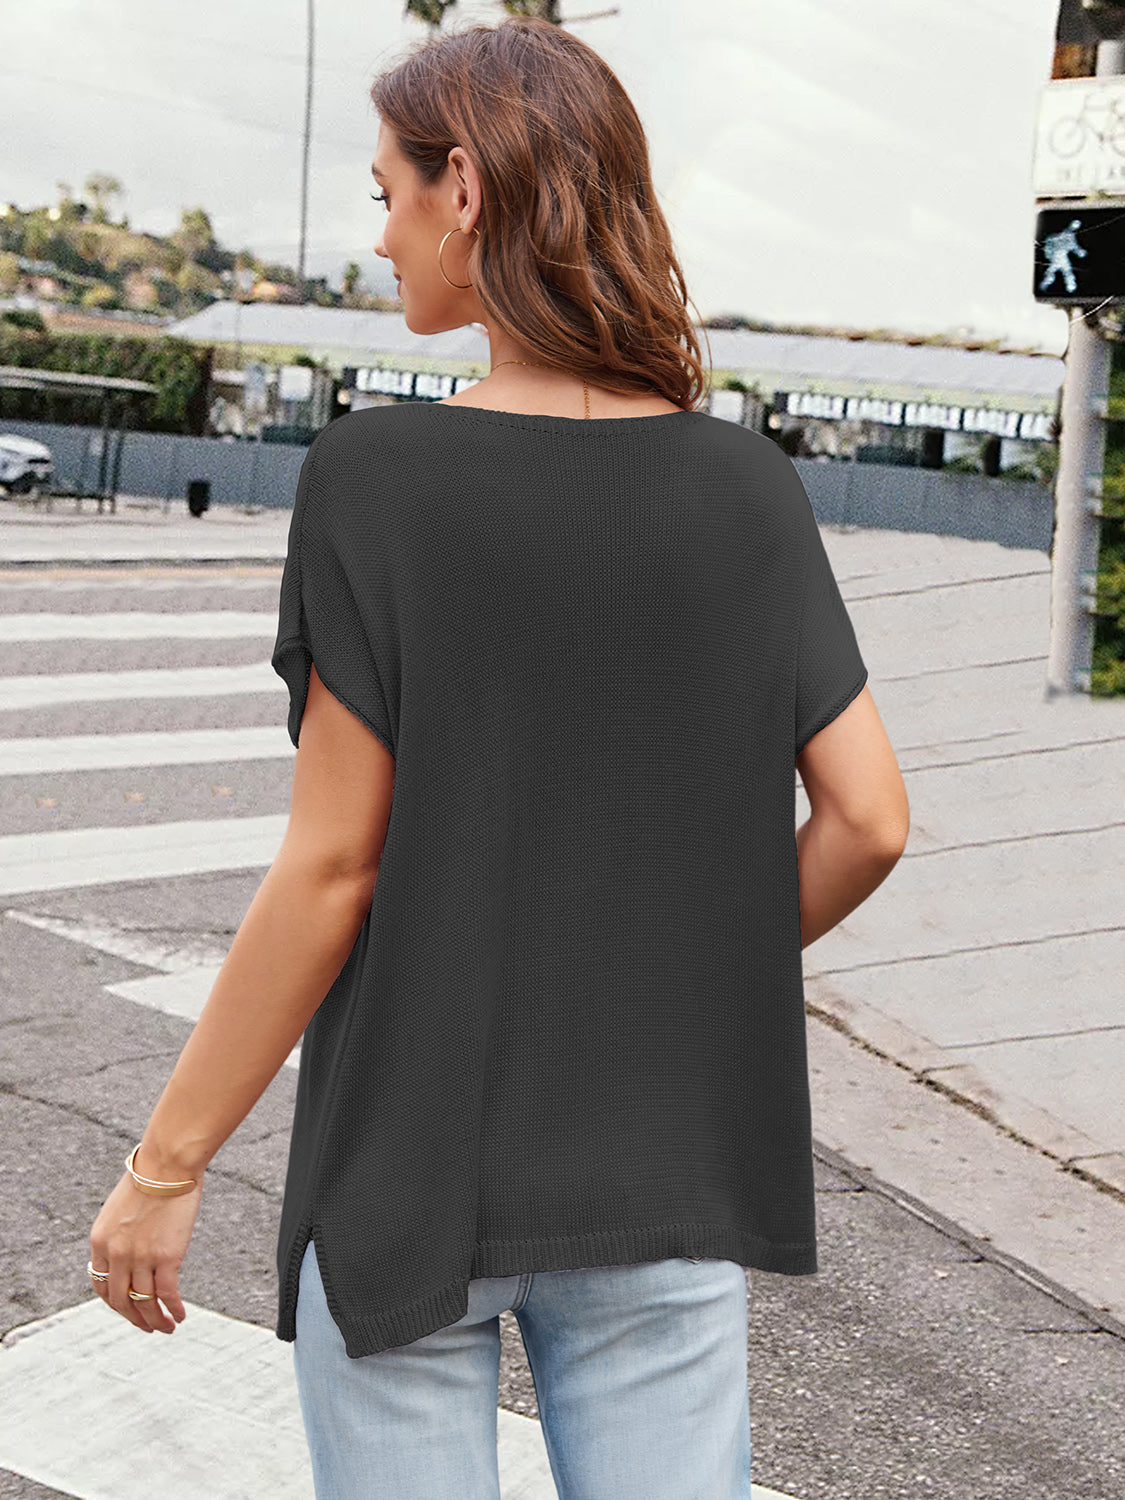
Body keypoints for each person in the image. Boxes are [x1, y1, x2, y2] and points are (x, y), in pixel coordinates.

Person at [88, 15, 909, 1499]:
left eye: (388, 192)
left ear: (462, 188)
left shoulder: (379, 475)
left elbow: (332, 869)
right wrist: (663, 979)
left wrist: (167, 1166)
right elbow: (867, 821)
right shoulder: (747, 486)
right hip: (659, 1160)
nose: (381, 234)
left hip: (410, 1160)